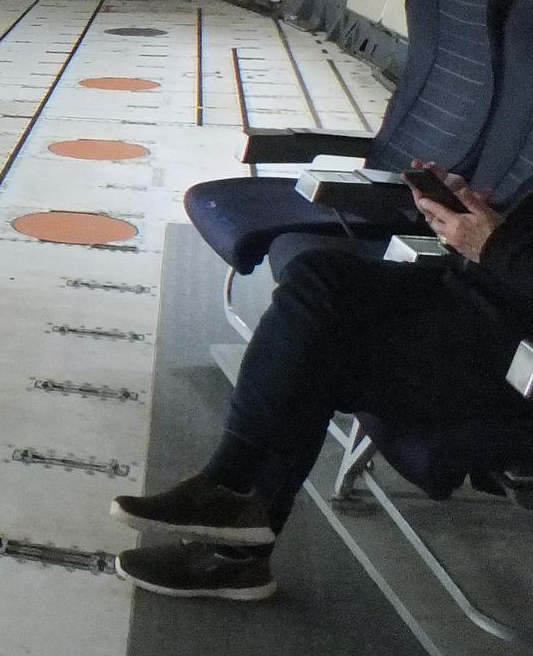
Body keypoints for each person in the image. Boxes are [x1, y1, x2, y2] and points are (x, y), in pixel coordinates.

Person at [113, 168, 533, 600]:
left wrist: (497, 245)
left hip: (516, 359)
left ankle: (233, 535)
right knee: (321, 279)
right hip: (482, 290)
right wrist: (480, 215)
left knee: (318, 346)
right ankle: (229, 496)